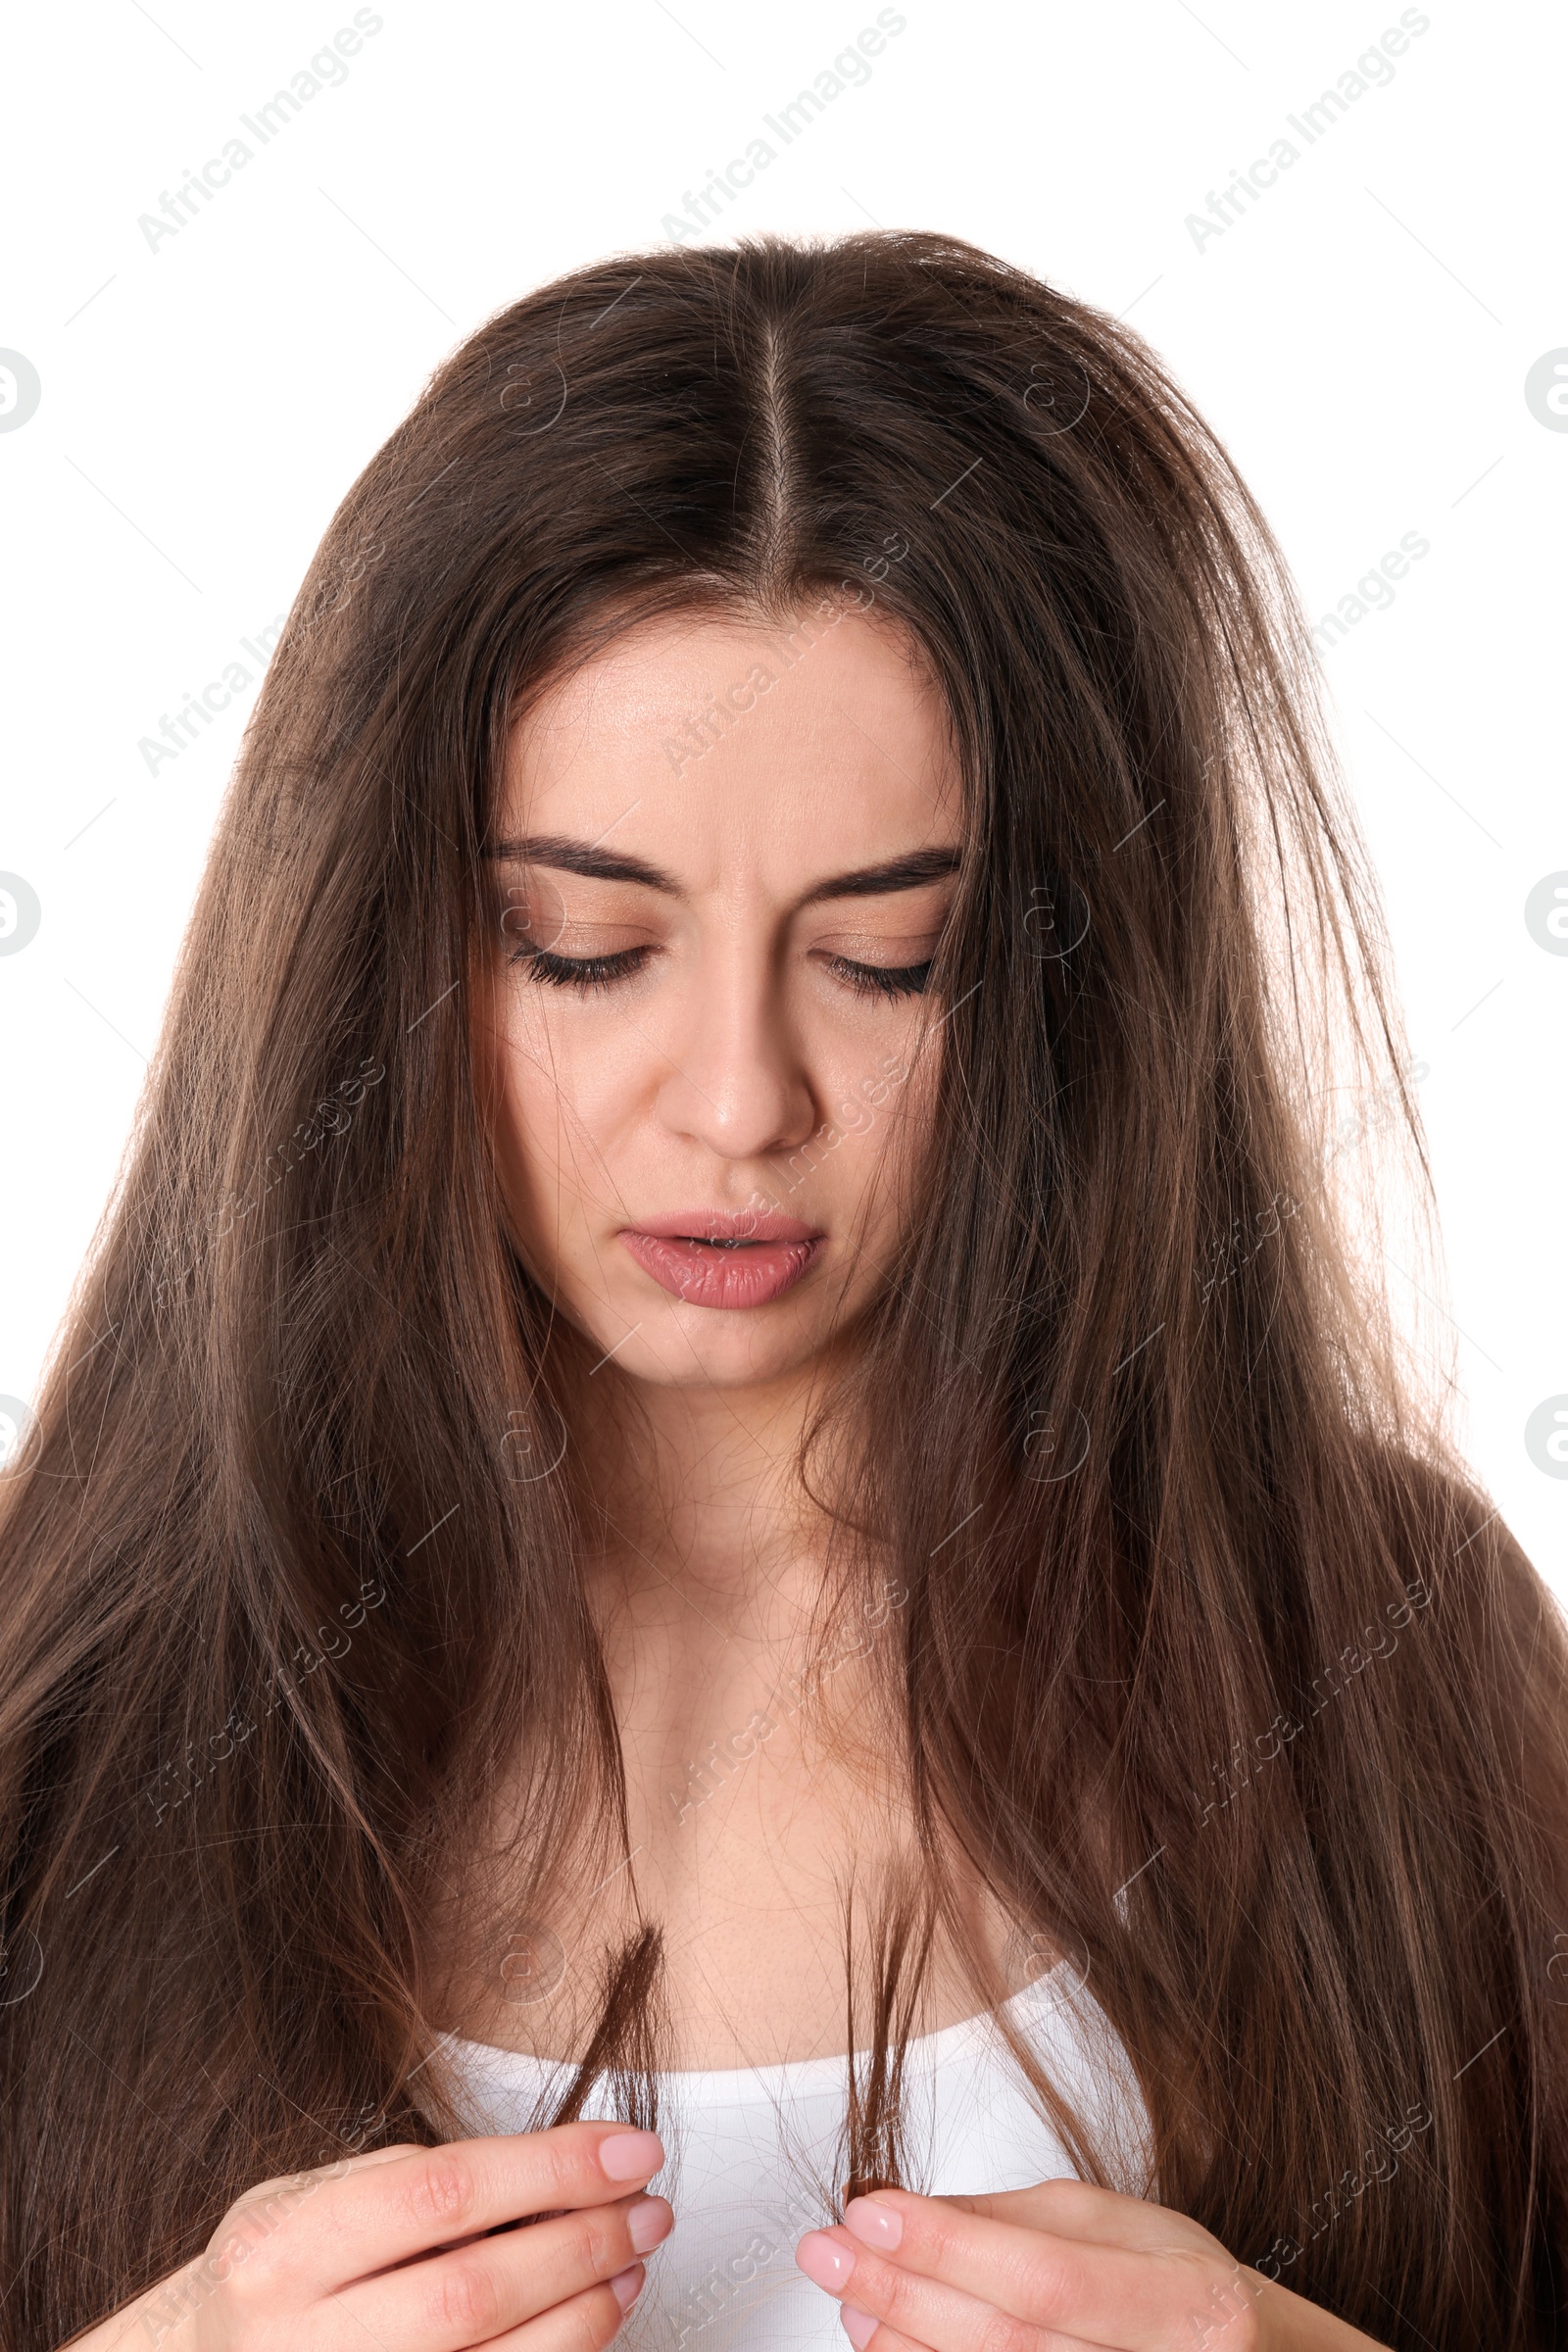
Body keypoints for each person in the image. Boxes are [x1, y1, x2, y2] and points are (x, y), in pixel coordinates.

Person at [1, 229, 1564, 2352]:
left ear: (1062, 978)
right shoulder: (72, 1697)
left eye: (883, 959)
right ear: (388, 949)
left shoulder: (1374, 1662)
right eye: (583, 944)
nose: (736, 1104)